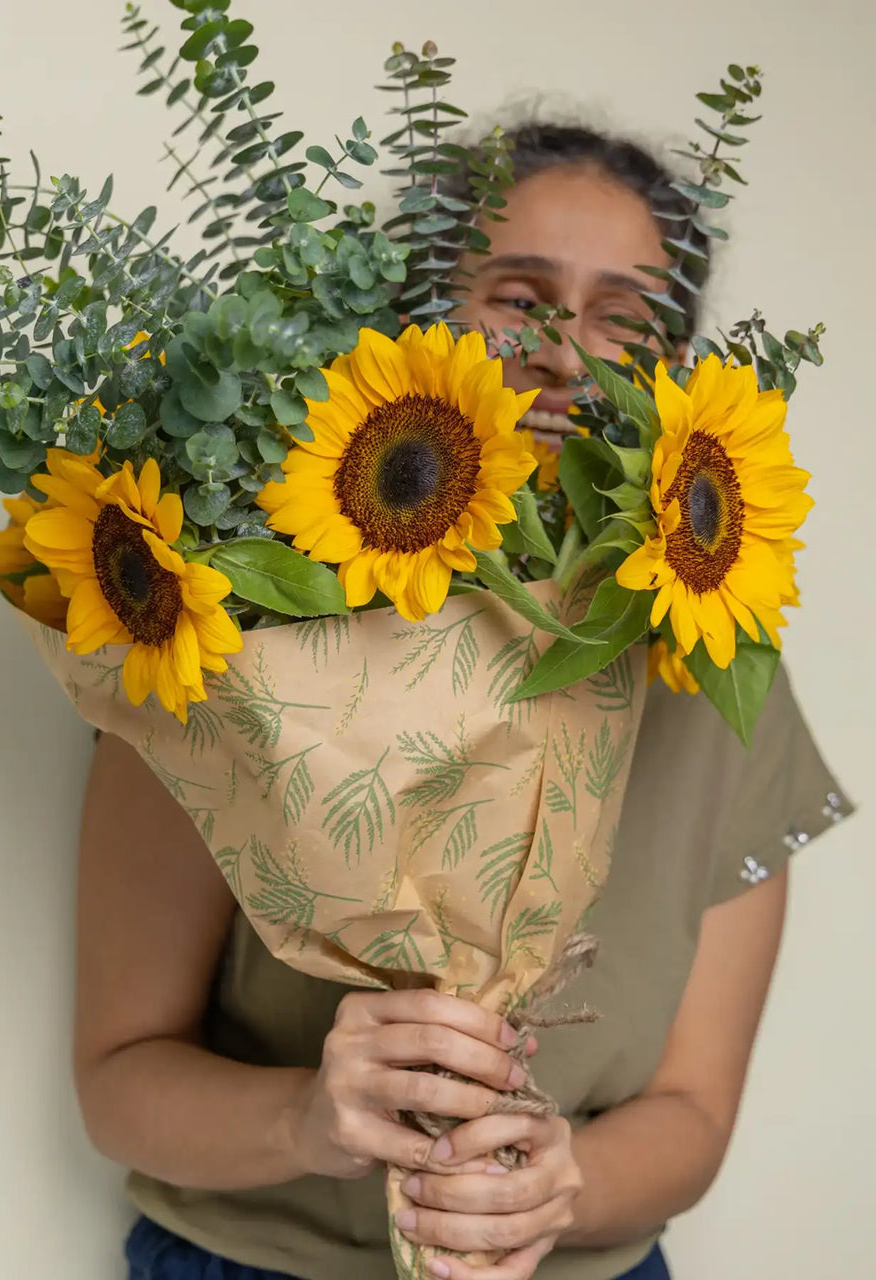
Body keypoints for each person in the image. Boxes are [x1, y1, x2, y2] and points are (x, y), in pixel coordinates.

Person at [72, 124, 854, 1280]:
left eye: (622, 313)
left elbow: (692, 1110)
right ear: (418, 325)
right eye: (516, 294)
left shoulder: (714, 669)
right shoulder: (232, 632)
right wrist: (311, 1119)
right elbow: (120, 1076)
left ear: (675, 367)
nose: (561, 351)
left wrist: (556, 1183)